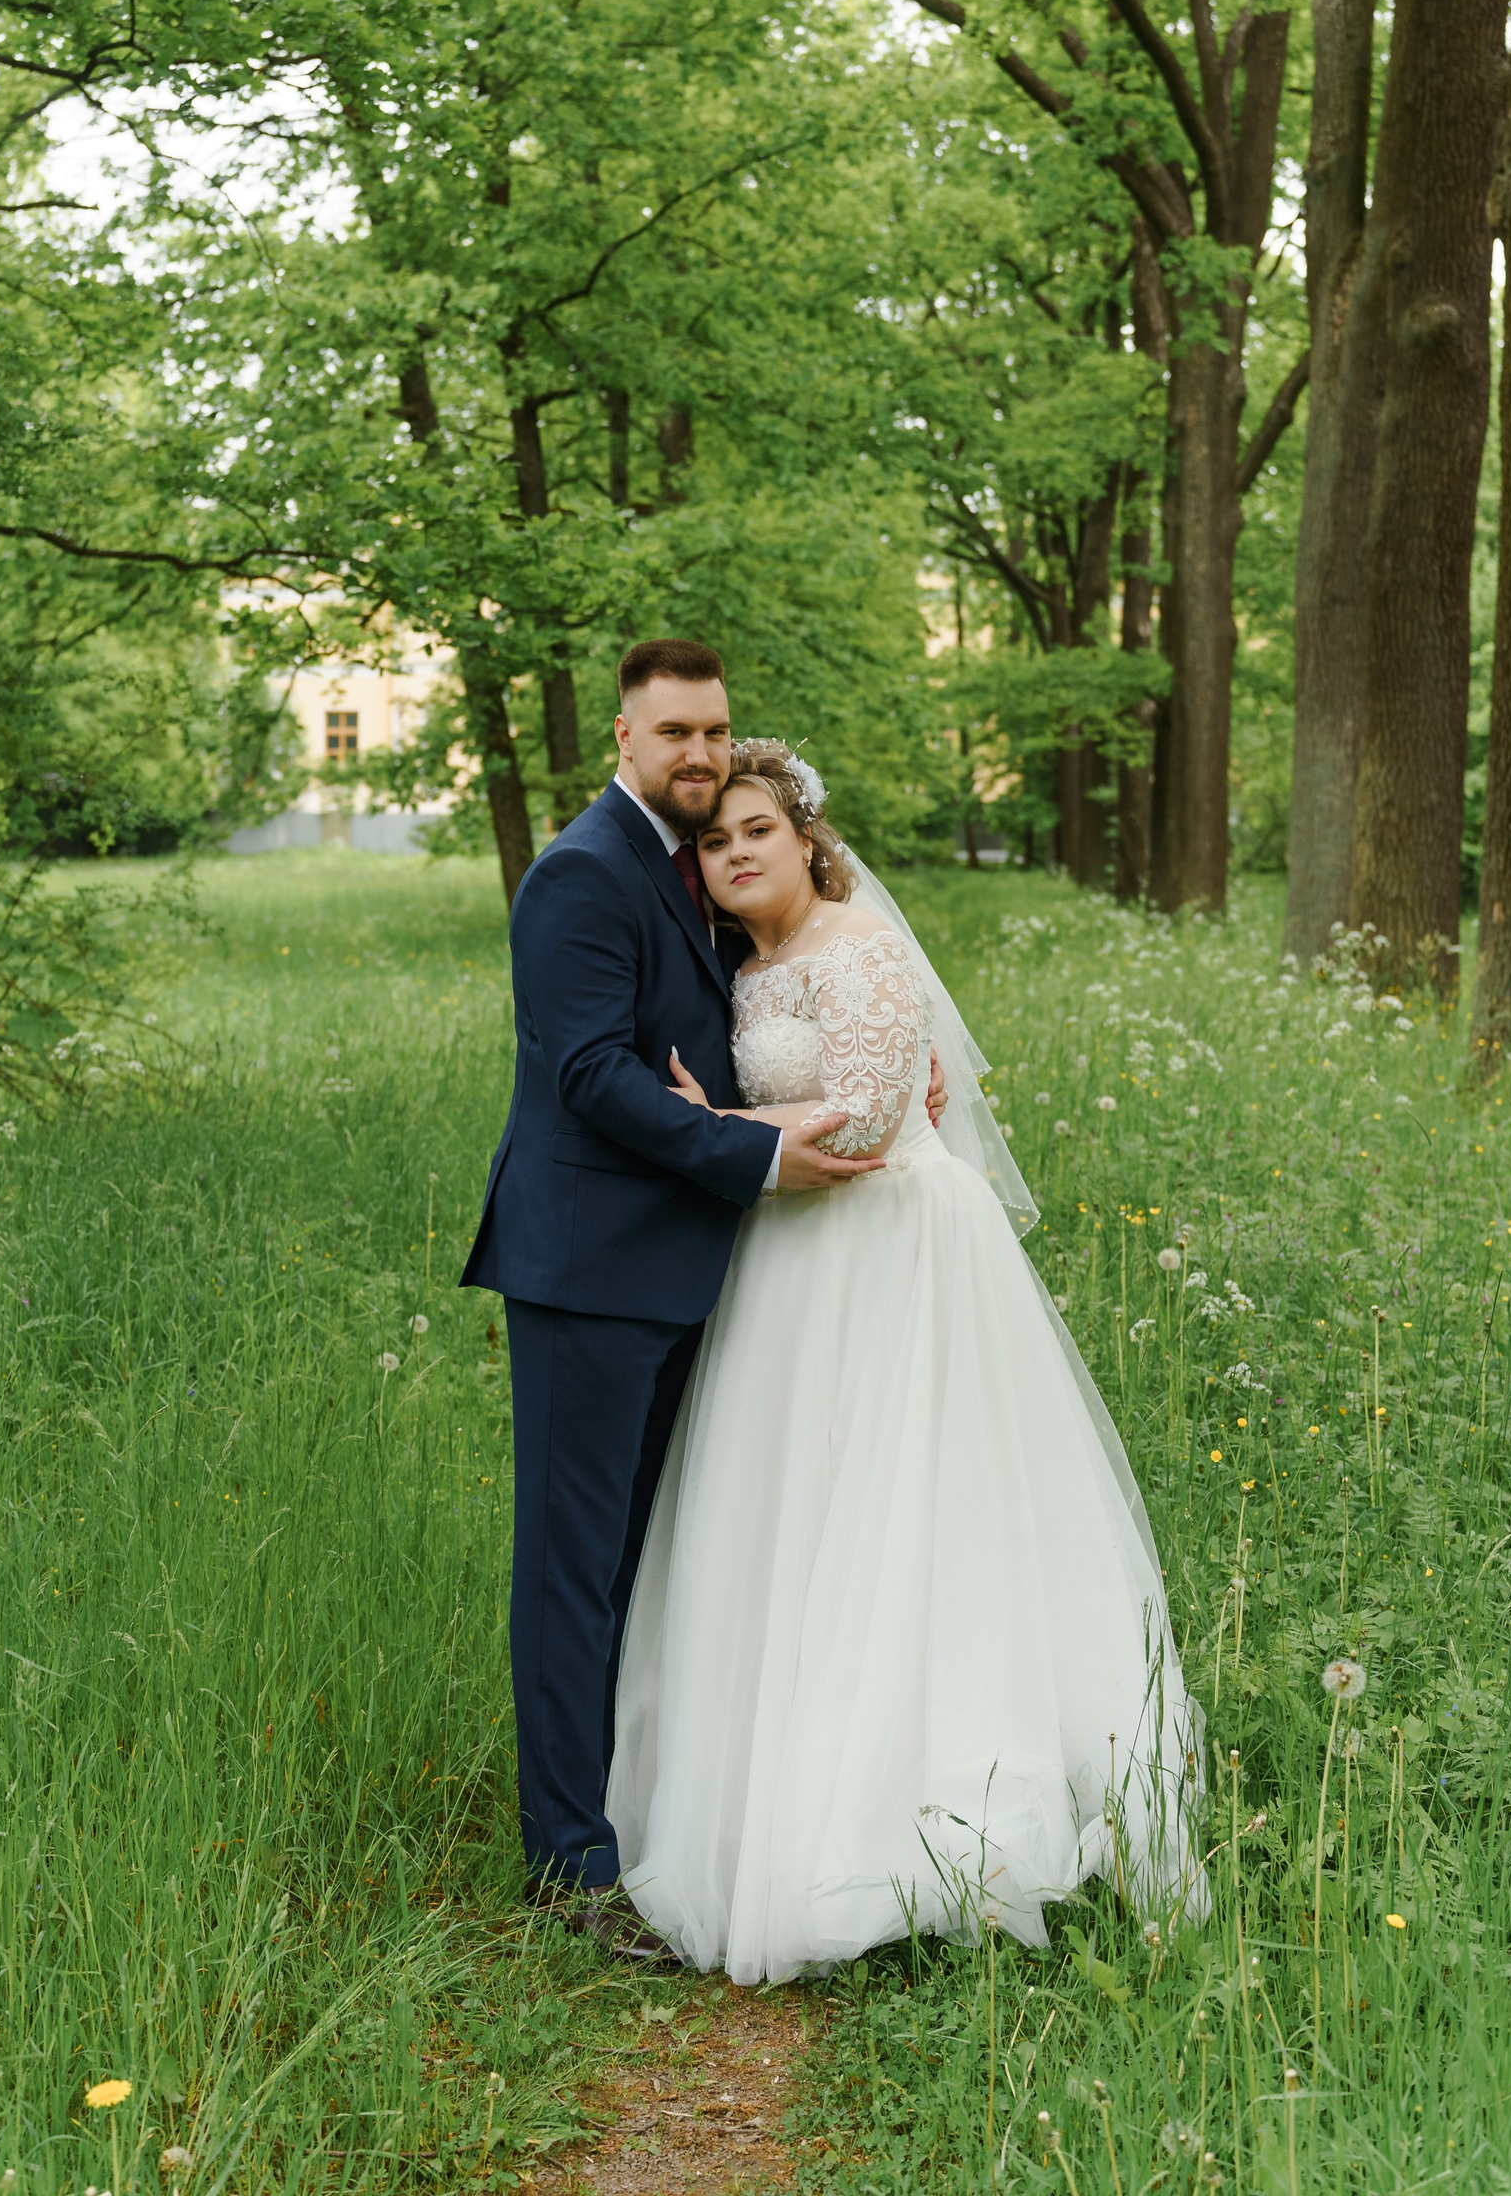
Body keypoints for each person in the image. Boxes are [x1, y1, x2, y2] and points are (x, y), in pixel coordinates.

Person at [607, 742, 1204, 1984]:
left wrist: (713, 1125)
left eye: (757, 831)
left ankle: (934, 1817)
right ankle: (789, 1793)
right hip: (789, 1258)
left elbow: (875, 1115)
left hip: (893, 1251)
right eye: (714, 841)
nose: (736, 854)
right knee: (797, 1513)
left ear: (805, 838)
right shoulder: (744, 967)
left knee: (917, 1510)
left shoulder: (864, 948)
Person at [464, 642, 945, 1959]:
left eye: (714, 730)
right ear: (623, 737)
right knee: (573, 1571)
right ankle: (570, 1867)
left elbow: (776, 1006)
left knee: (648, 1563)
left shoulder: (699, 866)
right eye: (673, 731)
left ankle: (643, 1807)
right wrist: (758, 1151)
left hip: (693, 1270)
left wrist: (892, 1066)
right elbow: (590, 1075)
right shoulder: (581, 874)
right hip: (589, 1272)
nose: (698, 752)